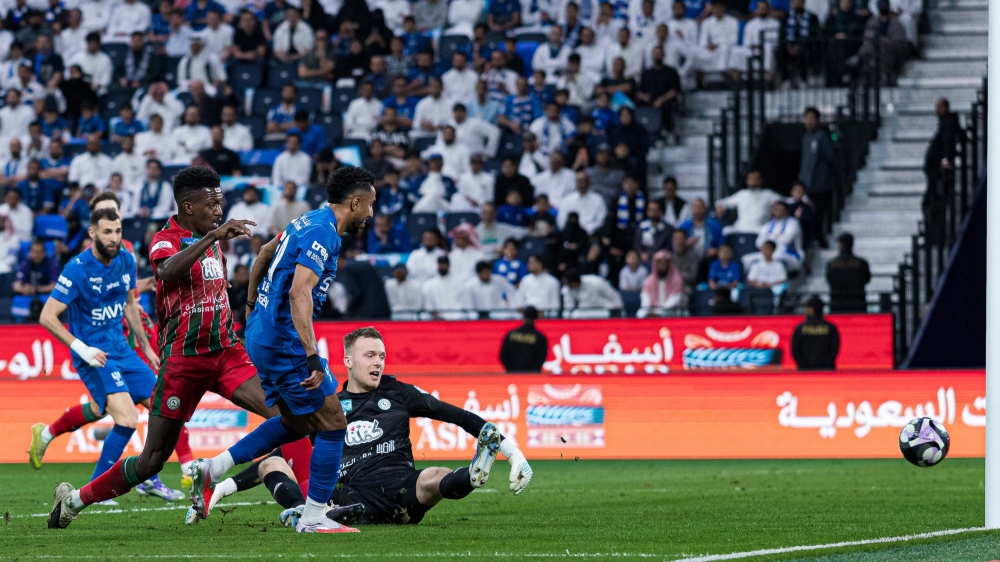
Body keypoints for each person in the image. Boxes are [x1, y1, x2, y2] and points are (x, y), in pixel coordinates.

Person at [46, 167, 282, 529]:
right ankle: (74, 501)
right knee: (151, 461)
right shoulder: (165, 238)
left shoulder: (210, 237)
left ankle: (306, 506)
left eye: (221, 203)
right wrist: (215, 236)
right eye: (212, 204)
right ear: (188, 207)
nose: (219, 211)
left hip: (224, 352)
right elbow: (167, 272)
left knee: (287, 414)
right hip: (183, 362)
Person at [187, 167, 376, 533]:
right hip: (284, 340)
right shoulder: (325, 232)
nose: (370, 214)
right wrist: (310, 357)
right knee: (334, 424)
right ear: (355, 202)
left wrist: (250, 308)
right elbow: (298, 292)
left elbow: (264, 253)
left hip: (262, 333)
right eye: (369, 205)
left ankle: (214, 468)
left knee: (293, 421)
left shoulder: (307, 220)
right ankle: (313, 516)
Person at [207, 327, 532, 526]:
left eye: (382, 355)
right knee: (274, 462)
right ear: (348, 361)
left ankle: (474, 473)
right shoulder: (330, 407)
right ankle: (301, 511)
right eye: (369, 355)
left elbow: (459, 416)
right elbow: (280, 449)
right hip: (348, 496)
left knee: (435, 476)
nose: (378, 362)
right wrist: (224, 487)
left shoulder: (398, 392)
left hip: (400, 489)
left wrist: (512, 453)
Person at [32, 208, 186, 504]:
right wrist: (82, 348)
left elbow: (129, 305)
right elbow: (47, 317)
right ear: (92, 233)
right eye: (107, 232)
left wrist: (147, 348)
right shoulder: (76, 269)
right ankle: (98, 489)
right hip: (95, 354)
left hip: (123, 350)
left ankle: (147, 476)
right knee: (127, 418)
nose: (114, 238)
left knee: (163, 407)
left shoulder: (126, 260)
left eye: (117, 231)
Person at [923, 98, 962, 245]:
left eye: (938, 107)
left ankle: (936, 236)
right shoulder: (946, 123)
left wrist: (946, 159)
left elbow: (948, 142)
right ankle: (933, 235)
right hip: (935, 171)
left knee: (934, 203)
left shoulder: (949, 124)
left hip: (939, 173)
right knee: (931, 203)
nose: (936, 110)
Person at [798, 107, 835, 247]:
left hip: (820, 183)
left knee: (819, 213)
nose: (809, 121)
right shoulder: (806, 138)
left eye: (812, 118)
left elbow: (830, 157)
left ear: (818, 120)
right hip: (806, 183)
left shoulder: (822, 136)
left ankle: (821, 238)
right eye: (807, 118)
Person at [714, 171, 785, 233]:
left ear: (761, 180)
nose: (753, 181)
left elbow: (786, 201)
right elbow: (722, 202)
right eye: (750, 178)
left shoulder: (767, 194)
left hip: (759, 230)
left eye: (755, 178)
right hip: (740, 229)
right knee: (726, 231)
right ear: (746, 181)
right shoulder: (742, 194)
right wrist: (720, 206)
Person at [791, 295, 840, 370]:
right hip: (826, 371)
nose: (805, 310)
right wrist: (827, 365)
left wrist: (803, 366)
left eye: (806, 308)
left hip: (805, 372)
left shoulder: (800, 328)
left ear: (811, 309)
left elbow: (795, 350)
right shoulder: (831, 328)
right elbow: (834, 349)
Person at [826, 232, 871, 313]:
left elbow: (829, 280)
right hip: (858, 305)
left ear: (840, 244)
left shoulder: (832, 264)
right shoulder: (862, 263)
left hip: (837, 306)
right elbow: (867, 279)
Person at [499, 306, 548, 372]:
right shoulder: (540, 337)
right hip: (532, 377)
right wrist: (531, 371)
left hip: (512, 376)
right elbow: (541, 358)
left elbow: (503, 356)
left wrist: (512, 370)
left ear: (523, 316)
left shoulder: (511, 334)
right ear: (536, 317)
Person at [638, 250, 684, 317]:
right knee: (640, 314)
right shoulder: (648, 281)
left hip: (670, 311)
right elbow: (645, 299)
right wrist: (650, 310)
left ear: (668, 264)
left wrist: (660, 311)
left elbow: (675, 299)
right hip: (652, 311)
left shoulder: (677, 280)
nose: (662, 265)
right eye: (659, 263)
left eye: (664, 263)